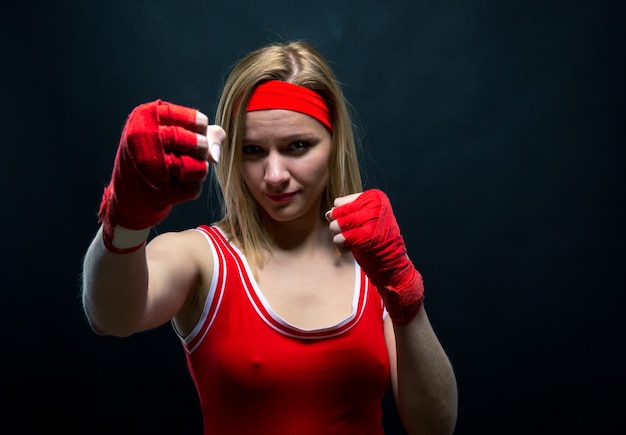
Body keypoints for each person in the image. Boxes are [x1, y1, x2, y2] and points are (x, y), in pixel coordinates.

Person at [81, 40, 458, 435]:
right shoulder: (203, 258)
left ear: (333, 145)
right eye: (253, 150)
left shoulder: (374, 258)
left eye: (298, 146)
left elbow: (435, 426)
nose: (274, 175)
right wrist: (126, 216)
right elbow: (110, 317)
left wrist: (402, 283)